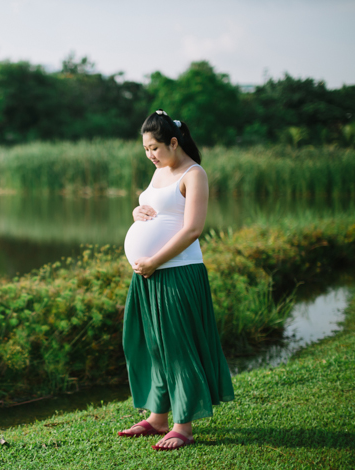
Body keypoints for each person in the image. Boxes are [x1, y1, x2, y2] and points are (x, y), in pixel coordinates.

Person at [117, 109, 234, 451]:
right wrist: (137, 213)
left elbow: (193, 228)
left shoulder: (194, 173)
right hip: (148, 274)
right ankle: (157, 417)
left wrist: (153, 259)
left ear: (173, 141)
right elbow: (153, 209)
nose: (150, 155)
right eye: (145, 150)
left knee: (178, 348)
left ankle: (184, 424)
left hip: (177, 271)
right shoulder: (159, 173)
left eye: (155, 148)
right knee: (152, 345)